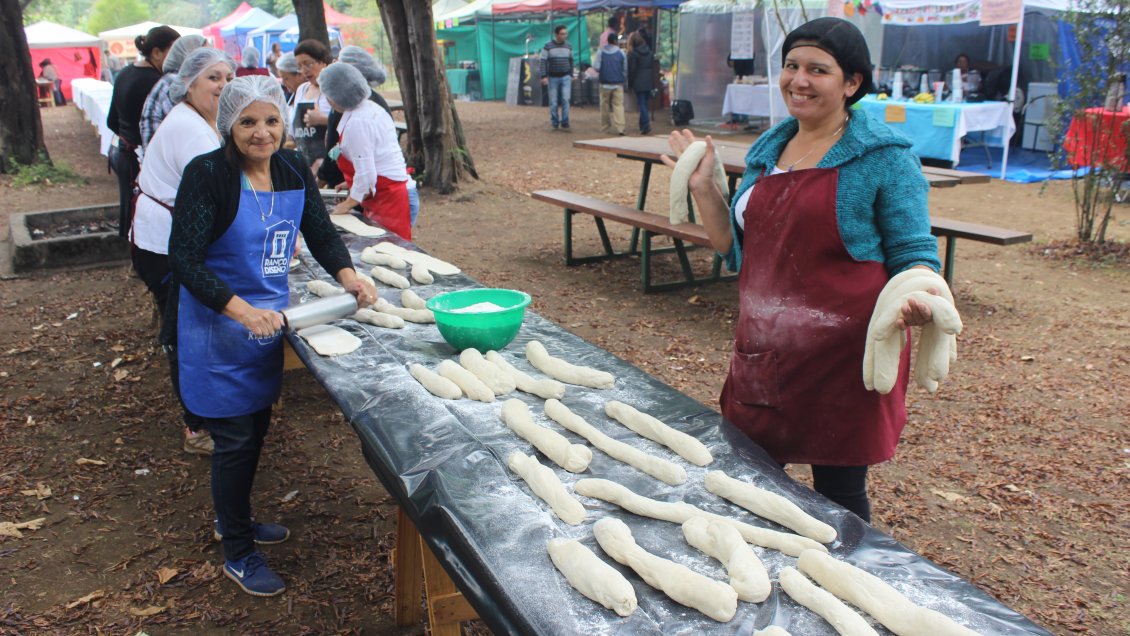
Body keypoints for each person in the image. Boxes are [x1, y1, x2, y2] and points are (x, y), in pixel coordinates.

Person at [662, 18, 943, 524]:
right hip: (765, 348)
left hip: (844, 356)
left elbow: (915, 252)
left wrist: (919, 298)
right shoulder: (768, 151)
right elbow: (737, 254)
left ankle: (842, 582)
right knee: (747, 479)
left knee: (837, 494)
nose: (799, 80)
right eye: (792, 66)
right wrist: (705, 188)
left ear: (852, 83)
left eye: (818, 69)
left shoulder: (885, 158)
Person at [166, 75, 377, 597]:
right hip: (220, 326)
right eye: (248, 122)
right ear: (227, 126)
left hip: (267, 321)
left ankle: (231, 516)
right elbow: (184, 259)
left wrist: (348, 276)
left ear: (284, 122)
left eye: (271, 121)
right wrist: (240, 311)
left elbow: (320, 230)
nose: (262, 133)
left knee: (255, 428)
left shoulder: (287, 169)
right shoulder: (208, 173)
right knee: (234, 440)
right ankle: (237, 551)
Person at [133, 49, 235, 456]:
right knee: (183, 334)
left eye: (229, 76)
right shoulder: (191, 131)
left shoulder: (199, 120)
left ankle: (205, 413)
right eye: (213, 77)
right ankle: (196, 426)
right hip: (164, 248)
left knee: (188, 328)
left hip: (163, 241)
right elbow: (217, 194)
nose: (223, 85)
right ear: (189, 83)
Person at [319, 63, 412, 241]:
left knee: (390, 247)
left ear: (337, 95)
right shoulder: (368, 109)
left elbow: (367, 174)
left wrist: (348, 204)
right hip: (383, 191)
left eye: (328, 95)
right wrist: (351, 183)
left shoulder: (358, 122)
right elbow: (376, 158)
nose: (327, 99)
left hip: (387, 197)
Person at [106, 25, 180, 238]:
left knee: (130, 207)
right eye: (173, 51)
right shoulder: (157, 83)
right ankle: (139, 262)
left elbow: (112, 121)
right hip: (140, 158)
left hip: (122, 152)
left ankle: (134, 259)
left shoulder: (123, 73)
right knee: (145, 211)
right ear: (156, 52)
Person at [317, 46, 392, 188]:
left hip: (375, 191)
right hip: (361, 186)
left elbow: (336, 153)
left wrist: (320, 182)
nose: (333, 65)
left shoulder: (353, 111)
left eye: (338, 62)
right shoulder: (370, 101)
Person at [140, 34, 206, 150]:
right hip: (167, 161)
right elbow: (191, 132)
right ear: (190, 56)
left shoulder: (177, 79)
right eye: (206, 55)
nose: (215, 59)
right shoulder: (176, 83)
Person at [291, 39, 334, 172]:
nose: (304, 70)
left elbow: (348, 122)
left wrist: (323, 120)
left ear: (323, 61)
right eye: (300, 66)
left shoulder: (334, 89)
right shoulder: (302, 89)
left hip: (330, 158)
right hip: (305, 157)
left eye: (308, 64)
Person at [539, 25, 574, 131]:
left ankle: (565, 122)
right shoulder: (548, 46)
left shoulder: (569, 46)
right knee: (553, 102)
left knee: (566, 99)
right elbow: (543, 61)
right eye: (562, 34)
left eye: (566, 34)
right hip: (553, 77)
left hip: (566, 76)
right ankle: (554, 122)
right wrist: (544, 76)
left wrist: (571, 74)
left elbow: (571, 61)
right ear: (556, 34)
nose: (565, 36)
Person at [593, 32, 627, 136]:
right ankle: (620, 128)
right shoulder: (621, 53)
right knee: (618, 105)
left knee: (604, 106)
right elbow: (625, 69)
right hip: (618, 84)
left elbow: (596, 67)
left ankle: (605, 127)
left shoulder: (601, 52)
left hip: (604, 84)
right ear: (616, 41)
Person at [627, 31, 656, 135]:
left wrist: (630, 84)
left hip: (638, 81)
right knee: (644, 104)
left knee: (642, 104)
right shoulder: (649, 52)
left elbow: (632, 70)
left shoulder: (633, 54)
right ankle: (643, 125)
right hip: (648, 81)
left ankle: (646, 124)